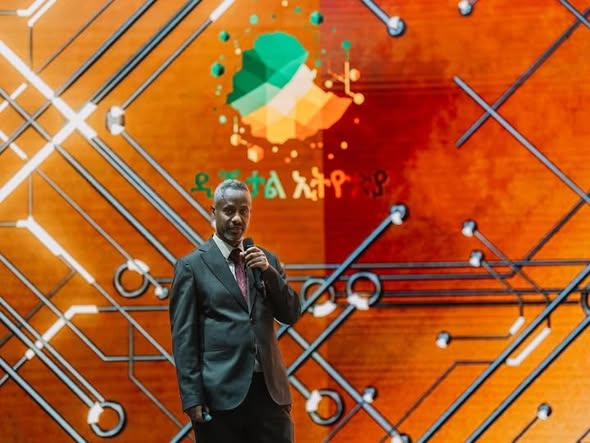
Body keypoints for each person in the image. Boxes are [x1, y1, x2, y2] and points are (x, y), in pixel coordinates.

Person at [169, 178, 301, 443]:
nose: (237, 219)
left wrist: (269, 273)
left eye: (244, 211)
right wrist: (192, 397)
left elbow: (291, 313)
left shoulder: (266, 260)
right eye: (229, 210)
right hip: (220, 396)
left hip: (269, 392)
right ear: (214, 212)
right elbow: (184, 339)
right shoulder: (192, 266)